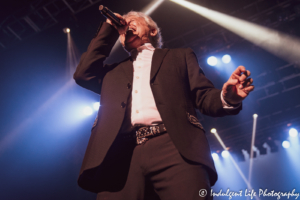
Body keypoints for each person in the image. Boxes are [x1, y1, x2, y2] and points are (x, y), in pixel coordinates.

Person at [73, 11, 254, 200]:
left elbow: (204, 96)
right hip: (121, 155)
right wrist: (109, 29)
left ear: (152, 31)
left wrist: (228, 97)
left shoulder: (179, 57)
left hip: (174, 146)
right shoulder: (113, 72)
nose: (126, 26)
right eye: (123, 26)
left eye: (133, 22)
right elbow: (83, 74)